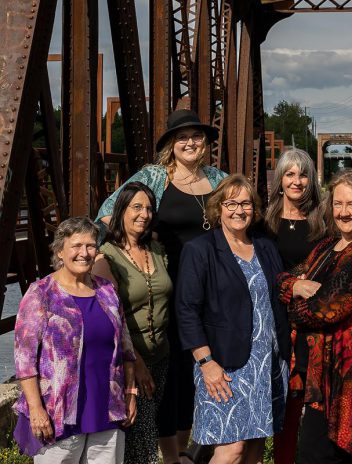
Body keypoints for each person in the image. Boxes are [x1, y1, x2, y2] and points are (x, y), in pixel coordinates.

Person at [96, 109, 227, 464]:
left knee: (192, 380)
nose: (189, 142)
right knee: (170, 385)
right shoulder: (155, 177)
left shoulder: (218, 179)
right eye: (181, 137)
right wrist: (128, 250)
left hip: (209, 296)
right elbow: (109, 213)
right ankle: (170, 457)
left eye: (196, 136)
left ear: (205, 144)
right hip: (167, 293)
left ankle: (188, 453)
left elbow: (244, 215)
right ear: (171, 144)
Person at [176, 174, 289, 463]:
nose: (239, 210)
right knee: (230, 449)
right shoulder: (200, 250)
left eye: (246, 203)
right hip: (223, 363)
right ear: (218, 208)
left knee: (254, 446)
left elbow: (279, 295)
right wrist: (205, 362)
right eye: (231, 203)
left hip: (266, 363)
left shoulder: (265, 247)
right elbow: (187, 309)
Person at [278, 171, 352, 464]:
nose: (343, 212)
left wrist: (295, 301)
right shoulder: (325, 247)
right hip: (317, 372)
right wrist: (295, 286)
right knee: (315, 452)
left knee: (333, 453)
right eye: (338, 204)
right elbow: (282, 278)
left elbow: (325, 311)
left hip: (347, 376)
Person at [13, 217, 137, 463]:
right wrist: (36, 410)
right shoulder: (41, 293)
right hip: (57, 412)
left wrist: (130, 394)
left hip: (107, 409)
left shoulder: (107, 291)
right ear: (60, 250)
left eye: (91, 246)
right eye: (76, 246)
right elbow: (24, 360)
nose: (84, 253)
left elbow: (126, 348)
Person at [92, 182, 173, 464]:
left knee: (147, 436)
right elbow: (112, 317)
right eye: (136, 207)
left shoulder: (158, 249)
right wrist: (135, 362)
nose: (144, 214)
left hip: (162, 358)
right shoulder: (105, 255)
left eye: (149, 208)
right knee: (139, 440)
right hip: (129, 364)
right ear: (121, 211)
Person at [265, 148, 325, 464]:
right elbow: (259, 272)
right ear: (280, 179)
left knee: (317, 401)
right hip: (280, 322)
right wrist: (292, 284)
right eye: (289, 174)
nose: (297, 181)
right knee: (286, 402)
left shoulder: (322, 219)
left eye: (303, 174)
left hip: (315, 322)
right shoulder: (267, 221)